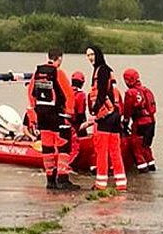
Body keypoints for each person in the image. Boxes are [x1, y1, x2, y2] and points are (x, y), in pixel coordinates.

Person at [26, 48, 79, 190]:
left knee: (47, 148)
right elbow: (69, 95)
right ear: (59, 58)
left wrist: (34, 115)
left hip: (42, 116)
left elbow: (31, 94)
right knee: (64, 147)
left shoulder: (37, 73)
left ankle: (50, 180)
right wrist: (69, 114)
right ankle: (62, 179)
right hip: (58, 116)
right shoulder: (58, 73)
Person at [86, 46, 127, 192]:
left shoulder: (101, 70)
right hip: (115, 115)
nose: (90, 58)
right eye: (88, 55)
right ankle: (121, 183)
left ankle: (100, 184)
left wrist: (95, 110)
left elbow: (101, 92)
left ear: (97, 54)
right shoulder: (109, 69)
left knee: (102, 151)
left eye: (92, 54)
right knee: (115, 150)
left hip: (106, 116)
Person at [121, 68, 157, 173]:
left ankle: (143, 170)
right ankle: (151, 167)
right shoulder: (147, 90)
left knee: (136, 146)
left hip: (140, 123)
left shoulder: (130, 93)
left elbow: (127, 111)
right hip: (152, 122)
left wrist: (125, 122)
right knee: (146, 146)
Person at [67, 71, 88, 171]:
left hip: (63, 123)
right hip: (74, 124)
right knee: (76, 146)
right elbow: (80, 113)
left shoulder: (65, 91)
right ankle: (70, 165)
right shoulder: (80, 95)